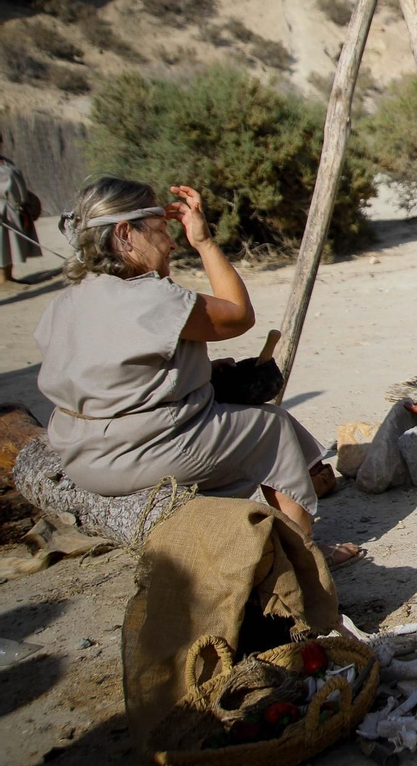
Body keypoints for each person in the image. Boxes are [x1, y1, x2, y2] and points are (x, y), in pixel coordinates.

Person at [33, 177, 361, 569]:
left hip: (81, 453)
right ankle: (300, 561)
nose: (171, 243)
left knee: (239, 422)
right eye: (160, 231)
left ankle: (278, 518)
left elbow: (111, 375)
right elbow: (239, 315)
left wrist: (198, 371)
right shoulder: (150, 297)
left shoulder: (67, 301)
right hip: (136, 453)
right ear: (124, 233)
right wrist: (204, 242)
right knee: (271, 429)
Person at [0, 132, 42, 285]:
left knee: (12, 244)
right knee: (1, 245)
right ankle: (3, 280)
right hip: (1, 210)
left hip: (14, 209)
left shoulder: (6, 162)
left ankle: (8, 277)